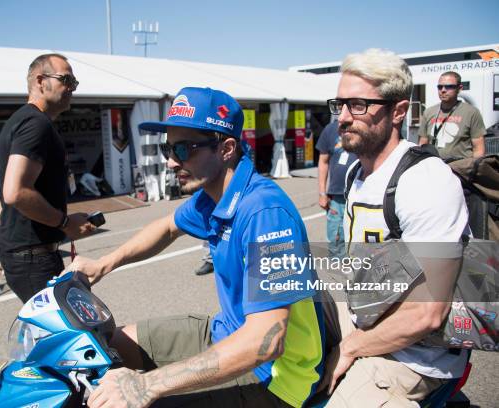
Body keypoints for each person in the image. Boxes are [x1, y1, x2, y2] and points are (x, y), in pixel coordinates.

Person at [67, 87, 324, 408]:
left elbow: (264, 342)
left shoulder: (265, 214)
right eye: (168, 149)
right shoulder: (213, 195)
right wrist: (103, 264)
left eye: (184, 149)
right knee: (112, 344)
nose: (172, 161)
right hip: (228, 330)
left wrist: (147, 385)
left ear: (227, 148)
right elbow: (167, 227)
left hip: (275, 377)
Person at [321, 49, 469, 407]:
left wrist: (349, 348)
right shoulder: (359, 173)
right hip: (367, 323)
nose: (342, 117)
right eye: (339, 104)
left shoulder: (424, 181)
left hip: (416, 358)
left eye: (357, 105)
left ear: (398, 111)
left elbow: (428, 312)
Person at [0, 53, 95, 302]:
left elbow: (3, 199)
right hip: (33, 259)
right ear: (40, 81)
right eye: (66, 80)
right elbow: (14, 192)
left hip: (29, 255)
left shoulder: (23, 121)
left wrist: (8, 242)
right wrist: (65, 223)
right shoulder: (35, 124)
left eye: (74, 83)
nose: (72, 88)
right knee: (69, 333)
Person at [418, 71, 486, 159]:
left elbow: (479, 150)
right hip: (434, 167)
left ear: (459, 88)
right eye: (440, 87)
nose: (443, 90)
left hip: (459, 169)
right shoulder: (429, 112)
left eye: (449, 87)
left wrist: (472, 169)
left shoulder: (471, 112)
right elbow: (422, 144)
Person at [315, 120, 357, 259]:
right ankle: (337, 270)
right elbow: (323, 161)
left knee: (357, 235)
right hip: (336, 196)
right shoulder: (330, 129)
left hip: (359, 193)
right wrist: (322, 193)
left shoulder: (362, 126)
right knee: (335, 235)